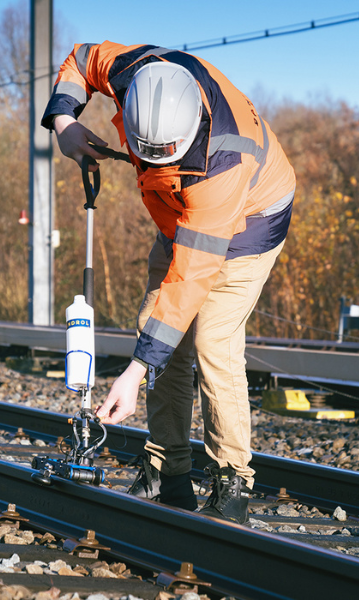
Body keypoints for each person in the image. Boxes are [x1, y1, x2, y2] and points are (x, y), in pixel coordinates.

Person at [43, 42, 296, 524]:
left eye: (165, 159)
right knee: (152, 328)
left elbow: (188, 285)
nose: (154, 167)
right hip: (180, 217)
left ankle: (232, 480)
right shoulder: (134, 71)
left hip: (249, 219)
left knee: (211, 340)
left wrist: (132, 376)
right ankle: (168, 469)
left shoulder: (223, 164)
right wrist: (65, 124)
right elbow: (79, 60)